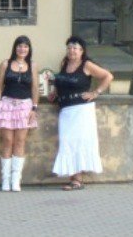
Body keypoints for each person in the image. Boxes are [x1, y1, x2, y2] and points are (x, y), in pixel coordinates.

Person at [48, 35, 113, 191]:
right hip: (65, 109)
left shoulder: (87, 65)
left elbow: (108, 76)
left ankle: (77, 180)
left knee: (79, 142)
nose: (72, 50)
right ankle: (73, 177)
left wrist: (95, 92)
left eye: (75, 48)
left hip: (81, 110)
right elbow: (62, 81)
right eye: (69, 47)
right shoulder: (64, 64)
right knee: (67, 142)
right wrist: (55, 93)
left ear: (82, 51)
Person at [0, 35, 39, 192]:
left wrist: (34, 108)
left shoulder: (32, 65)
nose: (22, 49)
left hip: (24, 106)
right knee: (7, 141)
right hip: (7, 105)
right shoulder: (5, 64)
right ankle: (5, 179)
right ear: (15, 48)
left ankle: (16, 179)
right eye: (19, 46)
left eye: (25, 46)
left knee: (20, 142)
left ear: (29, 49)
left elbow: (34, 89)